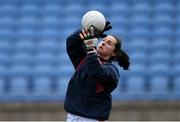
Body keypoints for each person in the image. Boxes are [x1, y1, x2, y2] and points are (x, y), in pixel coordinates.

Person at [64, 21, 130, 122]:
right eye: (103, 39)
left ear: (114, 53)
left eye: (109, 43)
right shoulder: (84, 58)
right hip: (72, 117)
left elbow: (95, 71)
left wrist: (91, 49)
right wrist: (88, 31)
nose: (103, 42)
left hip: (91, 119)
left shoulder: (112, 71)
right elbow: (71, 42)